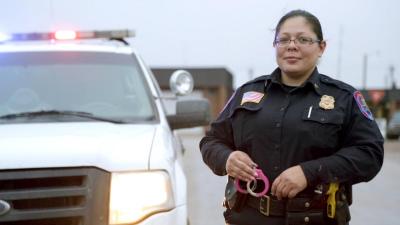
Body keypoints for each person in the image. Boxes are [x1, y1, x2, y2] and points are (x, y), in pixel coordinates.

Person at [199, 9, 384, 225]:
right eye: (283, 39)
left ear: (321, 47)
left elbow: (370, 154)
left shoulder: (344, 98)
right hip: (246, 217)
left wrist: (310, 172)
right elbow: (211, 141)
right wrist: (227, 159)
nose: (292, 46)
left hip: (313, 218)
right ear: (275, 45)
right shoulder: (246, 93)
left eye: (303, 39)